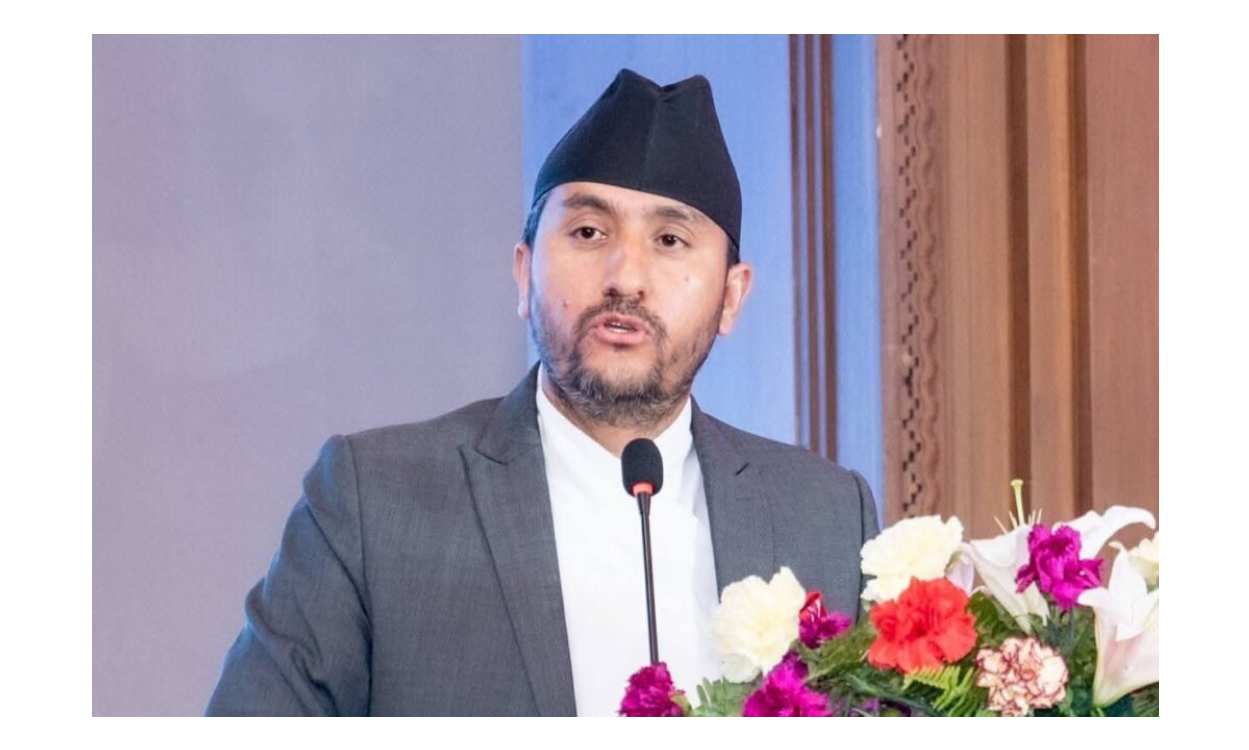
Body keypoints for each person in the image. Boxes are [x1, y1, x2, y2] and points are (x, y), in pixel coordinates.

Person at [206, 68, 879, 717]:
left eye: (670, 240)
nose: (626, 277)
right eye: (588, 232)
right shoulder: (375, 500)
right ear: (524, 272)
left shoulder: (824, 516)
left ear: (732, 297)